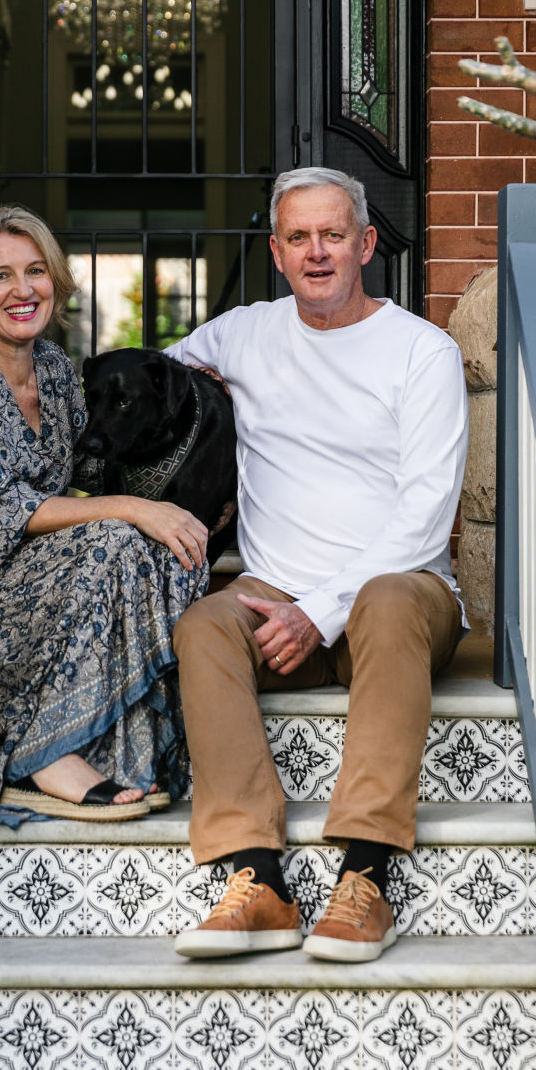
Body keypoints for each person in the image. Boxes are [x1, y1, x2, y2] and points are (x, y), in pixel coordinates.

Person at [167, 167, 468, 960]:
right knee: (203, 624)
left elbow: (427, 514)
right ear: (276, 251)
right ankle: (258, 879)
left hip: (400, 595)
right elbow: (156, 383)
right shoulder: (240, 334)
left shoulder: (421, 352)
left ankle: (365, 876)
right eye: (298, 238)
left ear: (367, 243)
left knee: (390, 599)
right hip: (276, 594)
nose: (317, 252)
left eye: (333, 234)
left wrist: (320, 610)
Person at [0, 205, 209, 823]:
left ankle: (118, 743)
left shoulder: (58, 372)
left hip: (39, 581)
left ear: (55, 282)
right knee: (115, 536)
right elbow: (3, 510)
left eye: (35, 271)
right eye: (0, 276)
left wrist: (189, 429)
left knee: (159, 545)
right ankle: (41, 755)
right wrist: (139, 508)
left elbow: (94, 470)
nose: (22, 290)